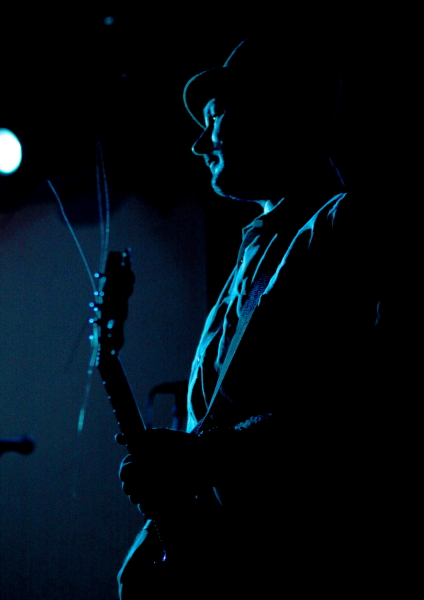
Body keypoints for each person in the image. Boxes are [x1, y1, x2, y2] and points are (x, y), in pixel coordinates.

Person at [117, 37, 422, 597]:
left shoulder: (348, 223)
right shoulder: (259, 249)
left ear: (272, 113)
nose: (198, 144)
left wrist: (202, 458)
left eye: (215, 118)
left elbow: (376, 401)